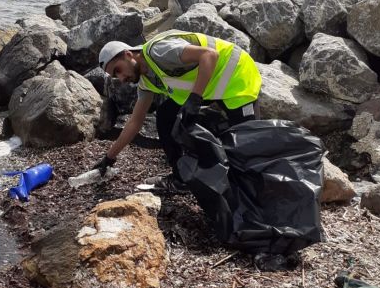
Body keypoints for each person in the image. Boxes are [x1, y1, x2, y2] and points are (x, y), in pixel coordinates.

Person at [92, 30, 263, 191]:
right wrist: (109, 158)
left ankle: (258, 191)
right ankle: (181, 178)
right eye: (115, 76)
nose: (121, 78)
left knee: (248, 148)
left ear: (128, 54)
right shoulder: (146, 82)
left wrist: (195, 99)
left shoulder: (159, 51)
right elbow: (135, 123)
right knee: (165, 116)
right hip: (211, 86)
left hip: (236, 76)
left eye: (118, 70)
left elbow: (209, 55)